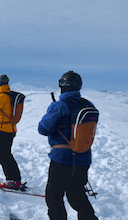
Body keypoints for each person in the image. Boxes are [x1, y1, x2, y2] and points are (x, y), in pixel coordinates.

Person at [38, 71, 98, 220]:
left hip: (62, 158)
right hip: (83, 158)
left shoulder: (59, 106)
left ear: (62, 86)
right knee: (76, 194)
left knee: (54, 195)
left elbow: (43, 129)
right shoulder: (88, 105)